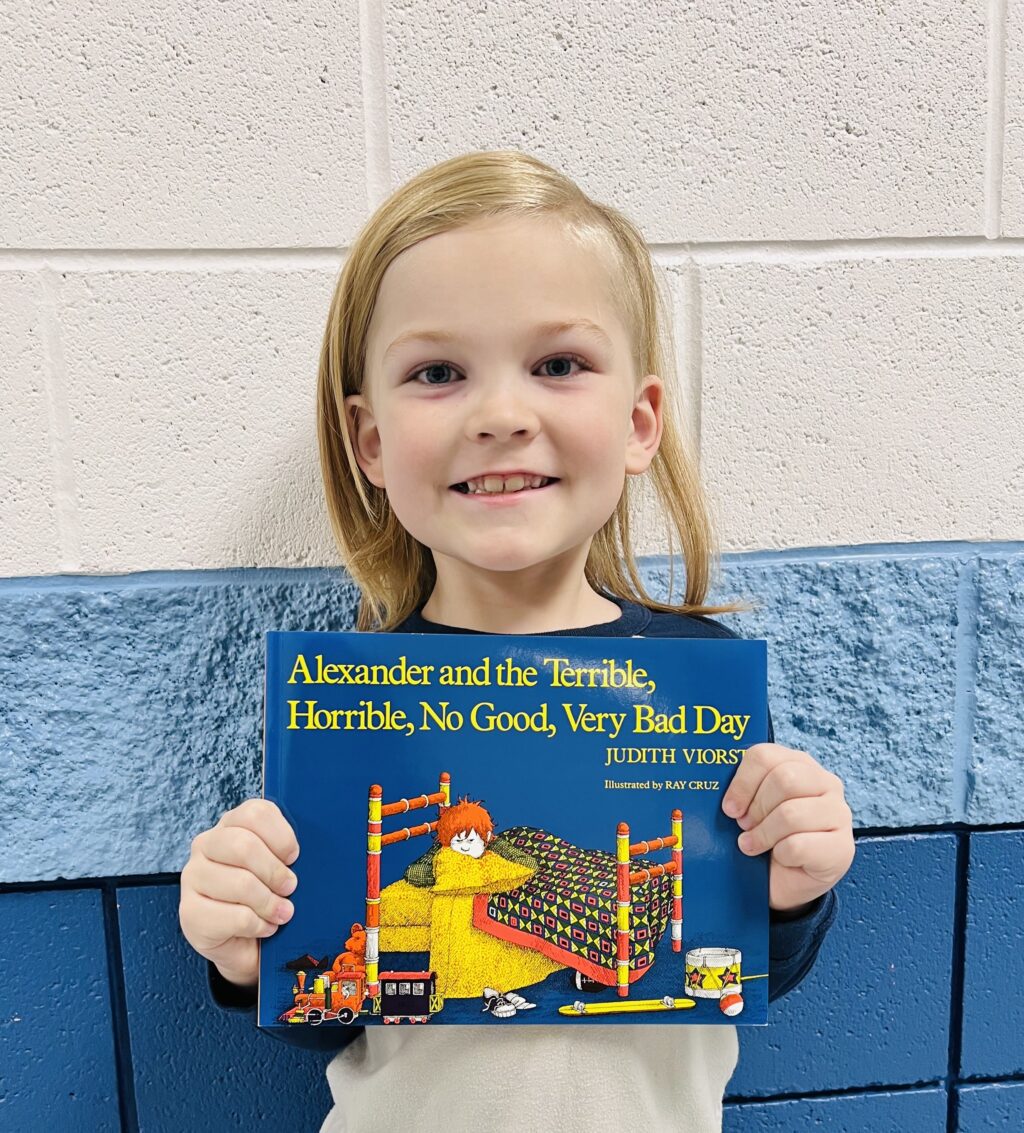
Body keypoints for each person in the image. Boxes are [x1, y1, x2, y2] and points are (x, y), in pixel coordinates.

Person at [179, 150, 855, 1132]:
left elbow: (734, 966)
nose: (501, 414)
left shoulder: (691, 681)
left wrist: (792, 891)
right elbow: (330, 1007)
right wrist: (246, 943)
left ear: (637, 422)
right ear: (370, 443)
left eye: (557, 364)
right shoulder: (347, 708)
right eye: (438, 372)